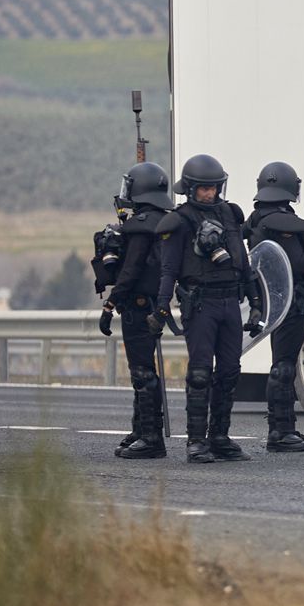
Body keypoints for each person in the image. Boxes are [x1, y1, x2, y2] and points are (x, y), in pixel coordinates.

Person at [150, 154, 261, 464]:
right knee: (200, 373)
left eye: (213, 188)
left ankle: (220, 437)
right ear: (191, 189)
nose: (210, 194)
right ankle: (196, 441)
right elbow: (169, 270)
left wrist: (255, 304)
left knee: (229, 371)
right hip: (200, 303)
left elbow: (244, 263)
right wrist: (161, 309)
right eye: (203, 189)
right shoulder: (180, 220)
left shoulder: (230, 214)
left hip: (230, 301)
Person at [242, 160, 304, 452]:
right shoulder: (280, 222)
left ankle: (285, 426)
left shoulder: (258, 219)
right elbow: (299, 263)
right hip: (289, 301)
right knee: (283, 366)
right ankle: (280, 431)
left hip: (275, 298)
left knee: (284, 363)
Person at [102, 162, 172, 459]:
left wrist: (110, 303)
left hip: (138, 305)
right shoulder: (161, 221)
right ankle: (141, 429)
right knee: (143, 370)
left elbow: (130, 271)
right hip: (154, 304)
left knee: (142, 372)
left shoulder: (141, 227)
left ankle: (151, 437)